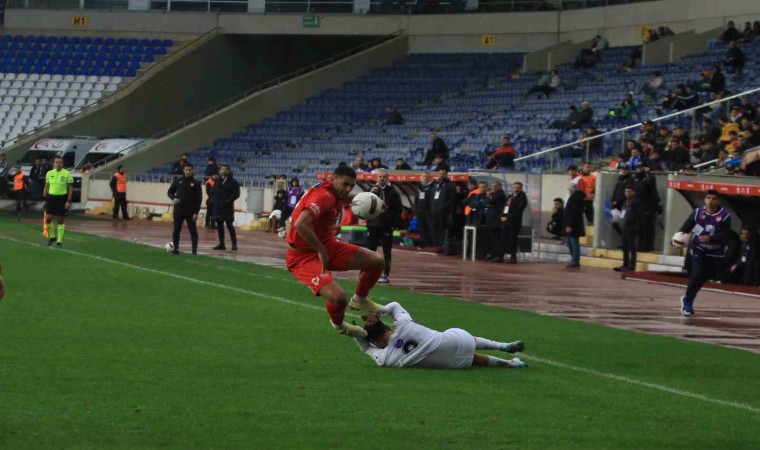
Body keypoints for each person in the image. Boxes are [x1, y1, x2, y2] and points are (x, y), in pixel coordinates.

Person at [285, 165, 387, 339]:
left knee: (377, 261)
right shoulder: (322, 196)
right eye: (345, 184)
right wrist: (321, 250)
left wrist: (371, 201)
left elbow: (345, 199)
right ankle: (339, 324)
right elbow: (300, 224)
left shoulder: (333, 192)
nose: (347, 189)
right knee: (339, 297)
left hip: (327, 245)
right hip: (303, 255)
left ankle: (360, 299)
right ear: (333, 179)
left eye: (351, 186)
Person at [353, 302, 526, 369]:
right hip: (455, 340)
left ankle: (510, 365)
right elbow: (395, 306)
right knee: (457, 338)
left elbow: (366, 348)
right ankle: (501, 345)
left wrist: (354, 333)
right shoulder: (404, 325)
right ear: (386, 327)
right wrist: (377, 315)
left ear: (375, 340)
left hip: (450, 362)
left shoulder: (387, 359)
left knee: (472, 359)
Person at [677, 190, 732, 316]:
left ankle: (687, 298)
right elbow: (685, 228)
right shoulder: (697, 213)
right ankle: (688, 303)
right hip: (698, 248)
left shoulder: (724, 216)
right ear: (704, 200)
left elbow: (726, 234)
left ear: (718, 201)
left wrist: (711, 238)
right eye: (708, 198)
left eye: (714, 198)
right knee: (697, 274)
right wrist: (678, 239)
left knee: (703, 277)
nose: (711, 201)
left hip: (715, 251)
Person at [366, 169, 402, 284]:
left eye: (384, 177)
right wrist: (371, 193)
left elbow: (398, 210)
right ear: (377, 178)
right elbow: (364, 205)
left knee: (387, 251)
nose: (382, 178)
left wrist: (394, 224)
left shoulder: (393, 192)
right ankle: (368, 273)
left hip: (386, 226)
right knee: (370, 251)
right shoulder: (370, 190)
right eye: (380, 176)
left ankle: (386, 274)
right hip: (372, 225)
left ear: (388, 178)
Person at [167, 164, 203, 255]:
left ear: (192, 171)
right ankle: (176, 248)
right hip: (179, 210)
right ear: (183, 170)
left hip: (190, 211)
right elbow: (170, 192)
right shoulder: (178, 181)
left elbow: (199, 199)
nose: (188, 171)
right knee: (176, 229)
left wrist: (196, 212)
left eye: (190, 170)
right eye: (186, 170)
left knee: (193, 231)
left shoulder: (196, 183)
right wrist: (173, 198)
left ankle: (194, 251)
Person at [43, 157, 74, 248]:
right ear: (54, 163)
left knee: (60, 220)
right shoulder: (49, 173)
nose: (58, 164)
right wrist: (45, 198)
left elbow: (70, 188)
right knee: (48, 218)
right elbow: (46, 186)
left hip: (62, 198)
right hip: (51, 197)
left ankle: (59, 241)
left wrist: (68, 200)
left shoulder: (67, 174)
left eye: (60, 162)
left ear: (63, 163)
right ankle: (53, 236)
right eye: (56, 162)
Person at [614, 185, 642, 272]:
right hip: (624, 226)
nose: (627, 193)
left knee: (631, 248)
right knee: (624, 247)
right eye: (626, 191)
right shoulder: (625, 201)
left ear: (634, 192)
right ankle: (625, 264)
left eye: (629, 191)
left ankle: (632, 266)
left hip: (632, 227)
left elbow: (638, 215)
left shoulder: (636, 202)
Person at [212, 164, 241, 251]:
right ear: (220, 171)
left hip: (227, 207)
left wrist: (229, 200)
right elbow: (213, 192)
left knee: (229, 225)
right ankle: (221, 243)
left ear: (228, 171)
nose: (224, 171)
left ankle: (234, 244)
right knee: (219, 225)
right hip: (218, 207)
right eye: (222, 169)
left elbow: (237, 194)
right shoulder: (217, 181)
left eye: (226, 169)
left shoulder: (233, 182)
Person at [500, 182, 528, 264]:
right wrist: (502, 215)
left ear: (521, 188)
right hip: (505, 221)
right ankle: (501, 255)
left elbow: (518, 211)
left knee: (512, 239)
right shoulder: (510, 197)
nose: (516, 189)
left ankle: (513, 256)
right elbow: (505, 207)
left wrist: (508, 217)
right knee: (504, 237)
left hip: (514, 222)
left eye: (518, 187)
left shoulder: (522, 197)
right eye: (515, 187)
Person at [430, 169, 457, 249]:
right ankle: (435, 243)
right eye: (440, 174)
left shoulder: (451, 185)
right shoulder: (436, 184)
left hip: (444, 211)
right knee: (434, 227)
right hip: (434, 209)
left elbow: (452, 198)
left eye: (443, 174)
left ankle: (442, 244)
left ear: (446, 175)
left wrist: (444, 207)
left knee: (442, 228)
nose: (441, 175)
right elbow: (432, 195)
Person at [564, 182, 585, 268]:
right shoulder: (576, 197)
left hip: (573, 225)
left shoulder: (575, 198)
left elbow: (572, 213)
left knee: (573, 242)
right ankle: (574, 259)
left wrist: (569, 225)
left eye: (569, 190)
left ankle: (575, 260)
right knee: (570, 242)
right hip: (574, 224)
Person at [485, 181, 507, 262]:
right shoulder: (494, 194)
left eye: (496, 186)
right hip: (491, 220)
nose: (494, 187)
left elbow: (490, 201)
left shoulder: (500, 194)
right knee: (492, 238)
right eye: (493, 186)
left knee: (496, 238)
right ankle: (493, 254)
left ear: (500, 186)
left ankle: (499, 255)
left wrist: (488, 195)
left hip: (496, 220)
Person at [415, 173, 434, 247]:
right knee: (422, 228)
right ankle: (424, 243)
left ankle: (431, 244)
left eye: (426, 176)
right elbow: (416, 199)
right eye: (423, 176)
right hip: (420, 211)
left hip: (429, 211)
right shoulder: (419, 187)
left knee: (429, 228)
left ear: (430, 178)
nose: (424, 178)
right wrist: (415, 210)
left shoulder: (433, 187)